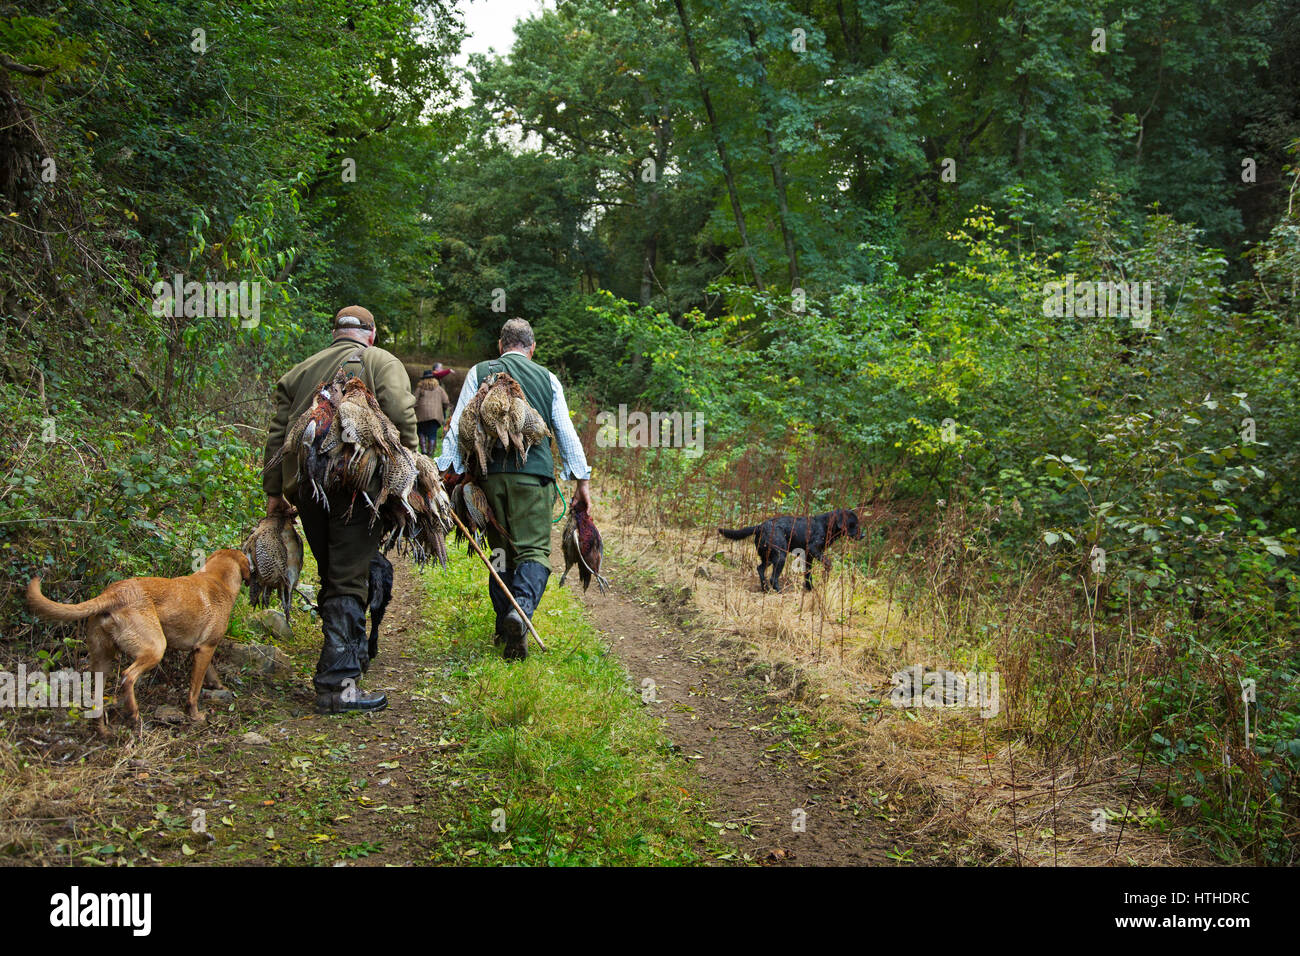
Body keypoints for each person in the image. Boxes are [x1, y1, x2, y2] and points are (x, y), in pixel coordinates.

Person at [262, 305, 417, 713]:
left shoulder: (300, 370)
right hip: (354, 488)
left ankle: (350, 657)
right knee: (349, 577)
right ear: (371, 332)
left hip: (306, 488)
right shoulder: (381, 361)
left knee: (333, 572)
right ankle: (337, 686)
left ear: (335, 333)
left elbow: (279, 435)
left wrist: (274, 493)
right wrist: (408, 465)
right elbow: (401, 413)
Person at [436, 318, 592, 660]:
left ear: (500, 345)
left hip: (489, 480)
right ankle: (520, 612)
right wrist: (581, 480)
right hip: (533, 479)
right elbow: (565, 432)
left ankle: (506, 628)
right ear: (532, 348)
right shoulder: (547, 379)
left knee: (500, 553)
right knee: (533, 552)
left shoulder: (479, 372)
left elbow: (458, 426)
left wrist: (446, 472)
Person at [414, 366, 451, 455]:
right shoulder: (439, 389)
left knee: (420, 432)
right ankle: (430, 454)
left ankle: (423, 450)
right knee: (432, 434)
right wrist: (444, 409)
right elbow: (446, 401)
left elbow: (414, 401)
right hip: (435, 417)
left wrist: (414, 409)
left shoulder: (420, 389)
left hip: (421, 416)